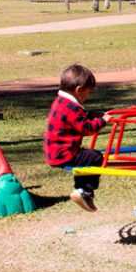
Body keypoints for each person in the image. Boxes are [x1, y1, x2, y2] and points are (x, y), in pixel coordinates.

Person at [43, 64, 112, 212]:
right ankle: (85, 191)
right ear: (79, 90)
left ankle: (81, 189)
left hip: (54, 153)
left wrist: (90, 114)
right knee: (95, 157)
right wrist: (103, 121)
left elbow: (74, 120)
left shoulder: (60, 102)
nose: (89, 95)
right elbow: (87, 129)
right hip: (65, 154)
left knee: (85, 157)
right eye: (89, 92)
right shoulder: (72, 108)